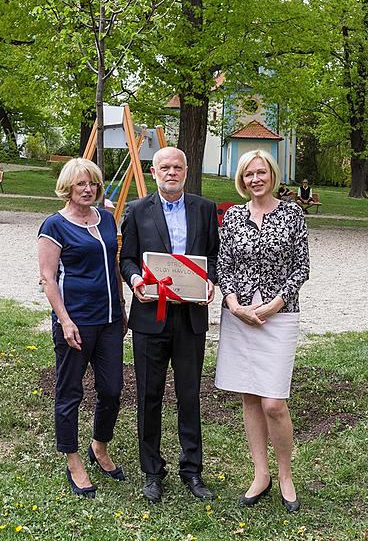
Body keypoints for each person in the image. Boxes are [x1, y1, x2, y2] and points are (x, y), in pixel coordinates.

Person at [120, 147, 219, 502]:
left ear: (187, 170)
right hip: (150, 316)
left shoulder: (205, 209)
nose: (172, 172)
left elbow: (215, 257)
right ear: (153, 170)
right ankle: (152, 472)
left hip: (191, 317)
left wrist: (212, 281)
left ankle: (192, 471)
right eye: (165, 167)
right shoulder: (136, 210)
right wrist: (134, 281)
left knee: (189, 396)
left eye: (178, 167)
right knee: (148, 396)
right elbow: (127, 259)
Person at [215, 149, 309, 514]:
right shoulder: (235, 216)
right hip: (239, 316)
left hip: (278, 315)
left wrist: (274, 304)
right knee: (250, 397)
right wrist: (234, 302)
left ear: (272, 174)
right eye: (249, 174)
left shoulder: (292, 214)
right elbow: (224, 264)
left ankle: (286, 474)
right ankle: (261, 474)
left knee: (273, 401)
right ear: (242, 179)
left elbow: (301, 267)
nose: (255, 179)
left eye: (261, 172)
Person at [38, 158, 127, 499]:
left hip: (109, 322)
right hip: (75, 322)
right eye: (80, 185)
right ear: (67, 188)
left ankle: (99, 445)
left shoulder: (106, 217)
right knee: (70, 392)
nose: (87, 189)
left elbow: (113, 265)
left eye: (92, 183)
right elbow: (48, 279)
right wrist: (65, 319)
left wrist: (121, 307)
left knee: (112, 390)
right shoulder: (54, 226)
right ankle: (73, 458)